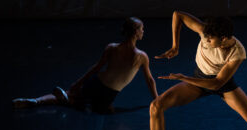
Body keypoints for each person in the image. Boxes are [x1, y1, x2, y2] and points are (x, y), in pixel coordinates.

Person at [12, 17, 158, 113]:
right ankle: (67, 100)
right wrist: (157, 100)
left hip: (96, 82)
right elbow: (150, 80)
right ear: (135, 32)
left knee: (75, 98)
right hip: (110, 93)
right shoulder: (141, 56)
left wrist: (78, 82)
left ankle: (36, 101)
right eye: (141, 29)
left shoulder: (112, 47)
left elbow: (96, 68)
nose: (143, 31)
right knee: (98, 108)